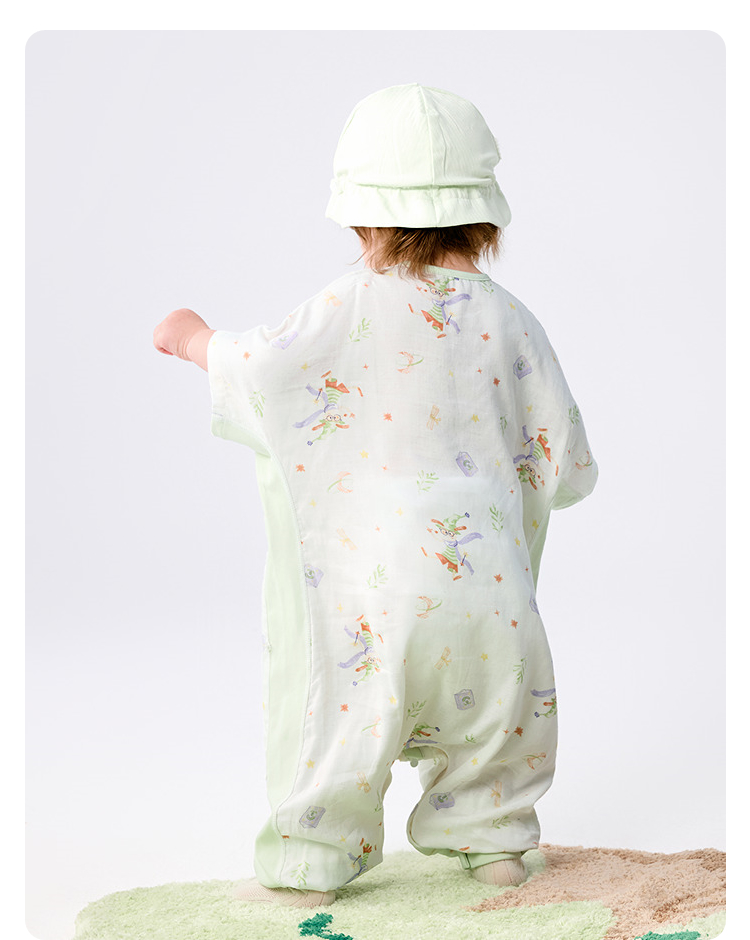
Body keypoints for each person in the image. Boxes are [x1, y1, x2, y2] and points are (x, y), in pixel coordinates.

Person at [153, 83, 599, 909]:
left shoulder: (342, 306)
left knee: (343, 723)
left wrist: (193, 337)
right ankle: (496, 844)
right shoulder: (514, 321)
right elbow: (565, 461)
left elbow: (261, 369)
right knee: (497, 726)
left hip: (375, 595)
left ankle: (312, 862)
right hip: (491, 595)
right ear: (485, 217)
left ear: (361, 218)